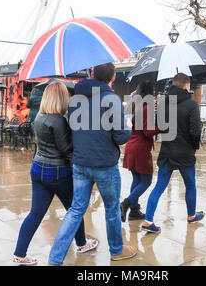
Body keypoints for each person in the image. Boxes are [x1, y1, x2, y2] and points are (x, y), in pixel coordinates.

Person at [48, 63, 135, 265]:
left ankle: (55, 258)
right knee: (112, 209)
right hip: (104, 164)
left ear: (93, 74)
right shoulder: (111, 99)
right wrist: (128, 127)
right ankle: (116, 250)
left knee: (76, 209)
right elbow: (121, 136)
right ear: (112, 78)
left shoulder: (76, 99)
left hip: (80, 163)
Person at [11, 82, 98, 266]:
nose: (68, 98)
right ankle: (81, 243)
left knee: (35, 214)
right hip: (57, 170)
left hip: (37, 167)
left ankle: (19, 254)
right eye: (66, 95)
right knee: (74, 210)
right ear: (60, 98)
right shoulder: (58, 120)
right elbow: (66, 149)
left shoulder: (40, 116)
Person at [142, 73, 204, 233]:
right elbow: (196, 131)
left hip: (167, 152)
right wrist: (194, 147)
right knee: (190, 185)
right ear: (185, 86)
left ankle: (148, 221)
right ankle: (191, 215)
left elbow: (159, 126)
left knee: (159, 187)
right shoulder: (192, 105)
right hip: (185, 153)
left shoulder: (163, 104)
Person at [121, 81, 160, 222]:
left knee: (137, 180)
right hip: (141, 149)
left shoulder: (134, 106)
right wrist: (160, 126)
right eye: (153, 92)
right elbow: (148, 132)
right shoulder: (146, 108)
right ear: (149, 92)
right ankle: (126, 203)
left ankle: (134, 211)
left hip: (131, 145)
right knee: (147, 181)